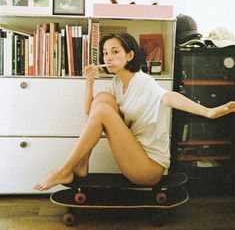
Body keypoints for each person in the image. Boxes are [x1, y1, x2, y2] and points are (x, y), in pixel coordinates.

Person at [34, 32, 235, 191]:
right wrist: (90, 81)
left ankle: (64, 169)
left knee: (103, 108)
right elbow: (90, 112)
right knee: (102, 101)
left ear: (130, 55)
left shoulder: (143, 81)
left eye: (115, 52)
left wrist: (208, 112)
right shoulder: (116, 83)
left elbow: (168, 97)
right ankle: (81, 163)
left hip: (149, 168)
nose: (108, 57)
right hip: (134, 155)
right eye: (105, 53)